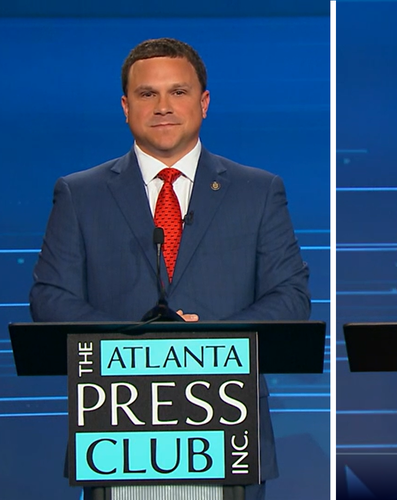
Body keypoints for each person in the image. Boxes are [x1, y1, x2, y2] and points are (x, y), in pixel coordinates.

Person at [29, 37, 310, 500]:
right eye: (147, 94)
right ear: (125, 107)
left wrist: (205, 343)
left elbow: (290, 298)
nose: (163, 106)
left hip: (226, 426)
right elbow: (50, 298)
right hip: (117, 424)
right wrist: (140, 344)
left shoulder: (258, 191)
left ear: (203, 103)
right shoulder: (80, 194)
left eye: (178, 92)